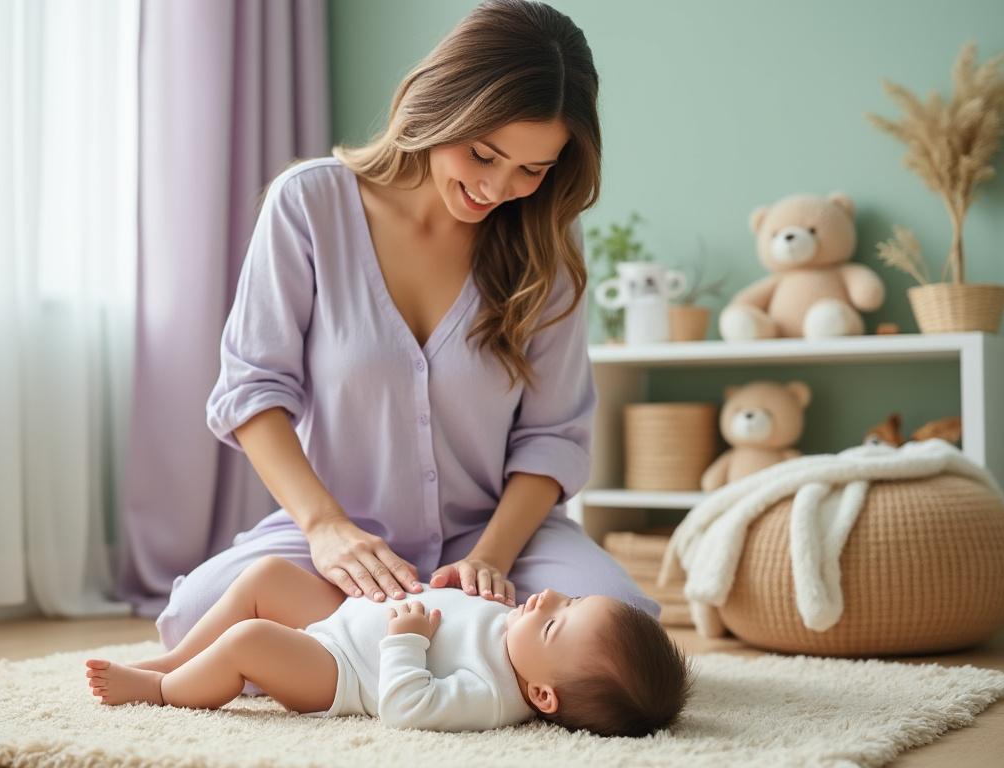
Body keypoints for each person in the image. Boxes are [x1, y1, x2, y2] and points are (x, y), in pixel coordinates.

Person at [158, 0, 660, 699]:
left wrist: (490, 561)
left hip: (503, 535)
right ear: (439, 106)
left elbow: (553, 436)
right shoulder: (310, 207)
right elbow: (252, 390)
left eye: (531, 169)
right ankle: (432, 656)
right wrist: (327, 528)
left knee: (620, 636)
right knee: (191, 624)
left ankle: (360, 655)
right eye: (483, 154)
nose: (497, 188)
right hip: (343, 531)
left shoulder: (548, 244)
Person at [91, 556, 691, 736]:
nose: (550, 598)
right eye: (573, 601)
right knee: (266, 576)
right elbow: (460, 615)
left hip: (342, 669)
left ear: (542, 694)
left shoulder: (489, 696)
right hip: (349, 616)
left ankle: (163, 687)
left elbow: (407, 707)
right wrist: (452, 590)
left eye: (557, 622)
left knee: (251, 641)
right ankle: (175, 658)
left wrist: (404, 643)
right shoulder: (520, 635)